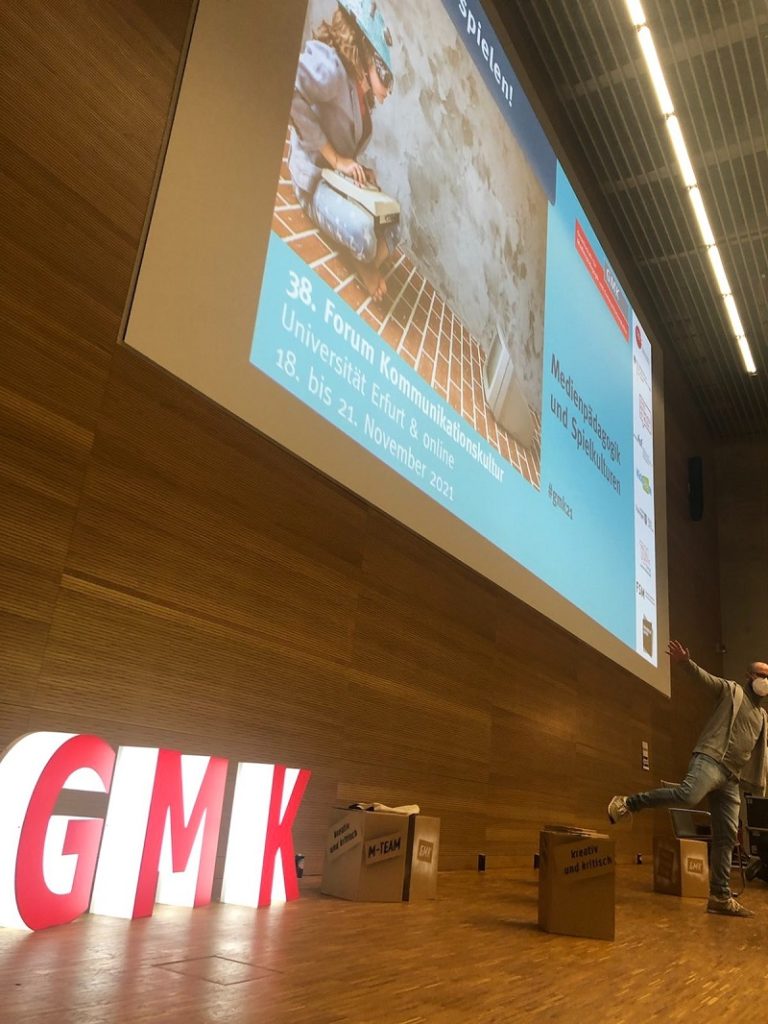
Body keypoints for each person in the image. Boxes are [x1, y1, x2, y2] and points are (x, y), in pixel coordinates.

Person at [608, 639, 768, 917]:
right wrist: (685, 663)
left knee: (727, 837)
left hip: (732, 778)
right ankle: (627, 803)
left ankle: (719, 896)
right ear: (749, 676)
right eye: (763, 675)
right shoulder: (732, 691)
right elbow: (705, 680)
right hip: (711, 760)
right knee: (688, 794)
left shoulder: (762, 716)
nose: (766, 681)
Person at [288, 0, 399, 302]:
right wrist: (336, 159)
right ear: (367, 54)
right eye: (386, 77)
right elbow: (291, 85)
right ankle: (360, 261)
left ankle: (360, 257)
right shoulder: (333, 68)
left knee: (393, 227)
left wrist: (357, 169)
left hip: (335, 180)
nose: (388, 91)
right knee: (365, 234)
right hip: (314, 178)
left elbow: (343, 142)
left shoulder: (361, 94)